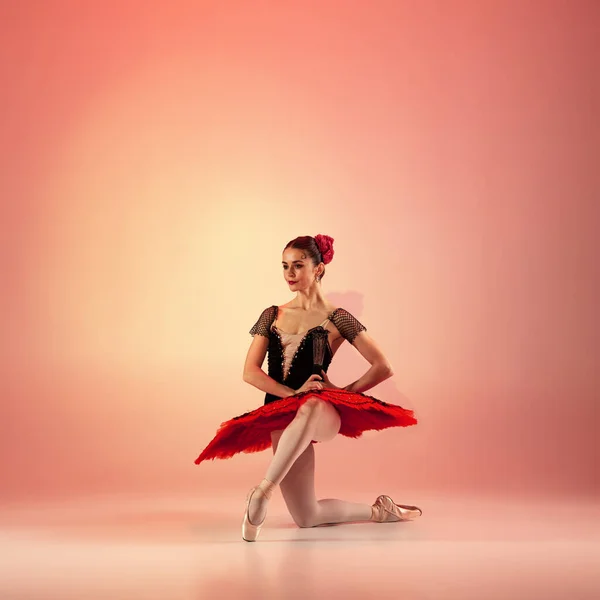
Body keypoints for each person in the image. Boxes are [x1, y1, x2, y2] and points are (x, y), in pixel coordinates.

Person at [195, 234, 421, 541]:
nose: (289, 273)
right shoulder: (271, 315)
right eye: (285, 266)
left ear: (318, 269)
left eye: (298, 266)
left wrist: (342, 391)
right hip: (282, 413)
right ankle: (381, 511)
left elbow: (383, 366)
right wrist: (292, 394)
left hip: (320, 410)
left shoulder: (338, 318)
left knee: (312, 404)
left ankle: (262, 492)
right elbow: (250, 372)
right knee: (307, 517)